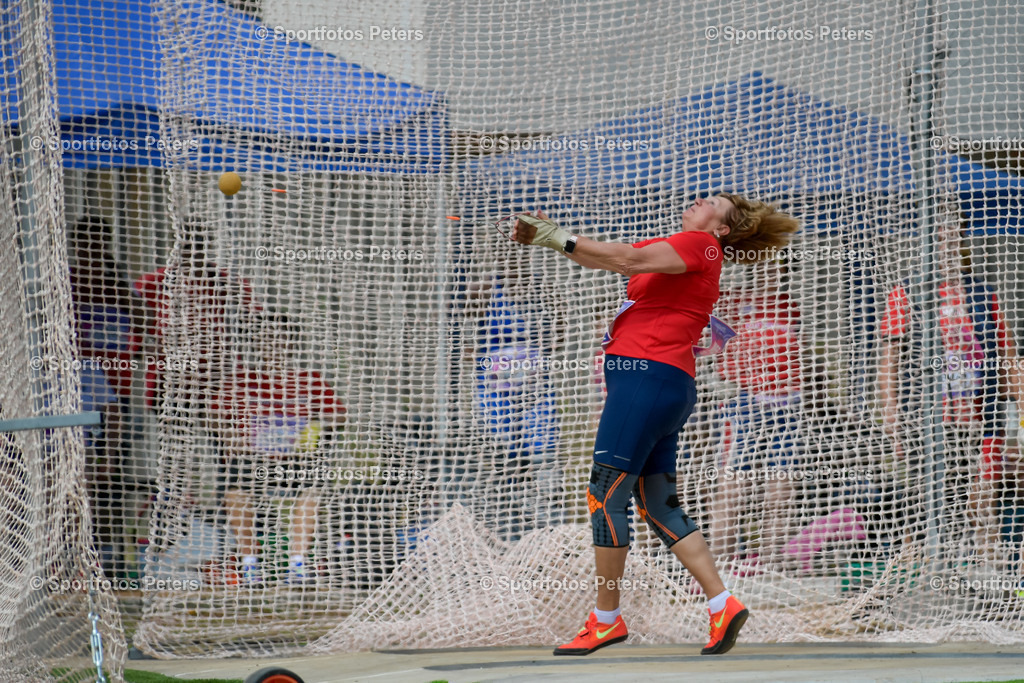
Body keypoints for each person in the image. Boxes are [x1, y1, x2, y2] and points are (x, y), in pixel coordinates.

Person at [509, 195, 798, 656]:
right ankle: (723, 604)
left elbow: (626, 256)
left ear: (721, 228)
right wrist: (551, 238)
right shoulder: (686, 250)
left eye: (712, 202)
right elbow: (610, 260)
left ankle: (606, 620)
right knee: (656, 503)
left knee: (605, 496)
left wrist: (554, 236)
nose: (698, 199)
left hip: (646, 380)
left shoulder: (699, 243)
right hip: (662, 384)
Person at [879, 234, 1024, 558]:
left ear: (962, 243)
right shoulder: (908, 291)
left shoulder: (983, 294)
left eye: (953, 239)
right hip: (927, 417)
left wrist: (1020, 407)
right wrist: (891, 416)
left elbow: (1008, 357)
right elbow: (889, 359)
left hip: (979, 414)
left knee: (982, 496)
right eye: (939, 239)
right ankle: (915, 566)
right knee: (923, 499)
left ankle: (988, 564)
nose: (946, 247)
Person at [209, 315, 345, 585]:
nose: (274, 346)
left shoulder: (310, 380)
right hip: (250, 457)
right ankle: (249, 564)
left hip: (296, 458)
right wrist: (231, 438)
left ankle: (298, 563)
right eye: (267, 339)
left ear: (291, 345)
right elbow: (214, 418)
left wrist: (313, 430)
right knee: (235, 490)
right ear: (257, 344)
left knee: (312, 492)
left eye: (281, 339)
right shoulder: (240, 380)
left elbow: (339, 417)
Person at [710, 260, 805, 570]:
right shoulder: (731, 300)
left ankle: (771, 563)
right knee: (733, 483)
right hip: (744, 402)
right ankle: (719, 565)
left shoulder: (790, 305)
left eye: (777, 264)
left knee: (781, 487)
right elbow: (716, 349)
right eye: (763, 263)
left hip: (787, 403)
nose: (770, 270)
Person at [472, 267, 562, 541]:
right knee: (500, 455)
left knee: (541, 455)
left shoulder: (542, 287)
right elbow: (465, 319)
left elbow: (559, 327)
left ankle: (545, 531)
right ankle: (498, 530)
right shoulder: (486, 288)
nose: (512, 260)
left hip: (535, 384)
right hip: (495, 384)